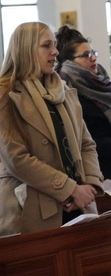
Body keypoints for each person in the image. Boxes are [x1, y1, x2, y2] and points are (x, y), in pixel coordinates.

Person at [0, 22, 103, 236]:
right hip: (33, 208)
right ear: (25, 49)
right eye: (46, 45)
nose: (55, 51)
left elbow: (86, 144)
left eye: (54, 45)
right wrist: (70, 189)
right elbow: (16, 159)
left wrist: (89, 184)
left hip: (79, 204)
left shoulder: (63, 90)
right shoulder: (6, 94)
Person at [56, 26, 111, 182]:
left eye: (93, 53)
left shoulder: (103, 86)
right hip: (91, 173)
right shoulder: (65, 92)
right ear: (70, 63)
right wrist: (109, 147)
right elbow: (68, 139)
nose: (94, 58)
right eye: (86, 55)